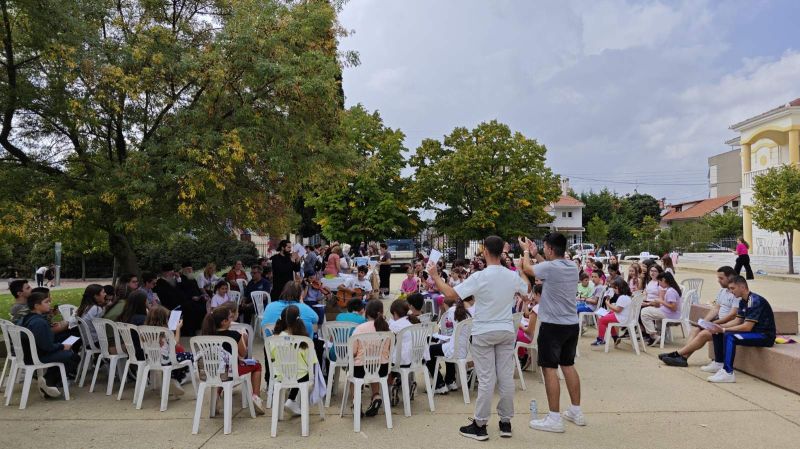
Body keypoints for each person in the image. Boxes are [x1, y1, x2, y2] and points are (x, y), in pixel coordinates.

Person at [429, 235, 530, 441]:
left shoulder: (480, 276)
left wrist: (435, 276)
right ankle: (505, 422)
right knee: (505, 377)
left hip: (484, 330)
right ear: (502, 251)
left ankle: (480, 424)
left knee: (486, 379)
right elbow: (527, 292)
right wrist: (522, 265)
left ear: (484, 251)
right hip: (505, 329)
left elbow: (450, 294)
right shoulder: (511, 276)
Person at [519, 233, 584, 434]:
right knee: (568, 365)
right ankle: (576, 410)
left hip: (552, 325)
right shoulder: (571, 266)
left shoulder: (550, 267)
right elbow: (547, 267)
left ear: (549, 248)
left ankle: (554, 417)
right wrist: (536, 254)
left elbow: (527, 268)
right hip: (571, 324)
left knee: (549, 369)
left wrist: (524, 251)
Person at [661, 266, 740, 368]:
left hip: (728, 325)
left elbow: (732, 315)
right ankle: (682, 357)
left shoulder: (736, 292)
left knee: (703, 334)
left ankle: (678, 355)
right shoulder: (723, 291)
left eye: (721, 278)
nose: (718, 281)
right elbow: (716, 308)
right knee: (696, 330)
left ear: (731, 277)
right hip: (719, 322)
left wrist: (716, 323)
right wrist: (704, 322)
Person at [706, 276, 775, 383]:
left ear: (742, 287)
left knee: (730, 337)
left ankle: (728, 372)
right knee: (717, 332)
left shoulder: (754, 301)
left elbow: (747, 327)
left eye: (732, 288)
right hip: (752, 333)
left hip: (764, 336)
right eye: (729, 289)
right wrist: (718, 327)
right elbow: (737, 321)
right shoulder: (743, 301)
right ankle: (719, 363)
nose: (731, 292)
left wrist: (724, 330)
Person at [201, 307, 266, 414]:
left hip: (211, 371)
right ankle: (255, 397)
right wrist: (243, 338)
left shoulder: (208, 335)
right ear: (224, 322)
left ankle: (216, 396)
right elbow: (243, 353)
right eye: (230, 317)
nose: (232, 320)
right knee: (257, 365)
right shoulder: (235, 335)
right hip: (231, 372)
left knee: (221, 370)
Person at [19, 291, 79, 398]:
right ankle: (49, 381)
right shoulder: (39, 322)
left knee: (65, 348)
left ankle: (48, 382)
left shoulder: (27, 318)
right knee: (73, 357)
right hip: (37, 356)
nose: (49, 304)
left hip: (28, 355)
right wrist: (62, 346)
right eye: (46, 302)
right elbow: (47, 347)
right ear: (37, 306)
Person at [271, 305, 317, 415]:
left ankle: (292, 399)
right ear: (298, 320)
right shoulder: (303, 341)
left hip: (280, 376)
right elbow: (312, 361)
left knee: (295, 371)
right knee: (308, 372)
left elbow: (273, 358)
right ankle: (292, 399)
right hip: (301, 377)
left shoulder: (273, 339)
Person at [351, 300, 392, 417]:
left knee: (353, 376)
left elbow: (353, 351)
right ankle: (376, 396)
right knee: (374, 369)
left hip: (361, 369)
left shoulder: (360, 329)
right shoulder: (386, 328)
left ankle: (356, 402)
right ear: (382, 312)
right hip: (382, 368)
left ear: (366, 312)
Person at [144, 305, 192, 395]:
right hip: (166, 361)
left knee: (179, 356)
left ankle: (171, 380)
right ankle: (175, 380)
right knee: (190, 356)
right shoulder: (165, 332)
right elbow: (175, 343)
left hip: (151, 360)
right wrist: (178, 328)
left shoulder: (144, 331)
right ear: (163, 320)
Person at [427, 298, 472, 394]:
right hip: (465, 348)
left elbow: (447, 332)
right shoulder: (468, 313)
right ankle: (450, 380)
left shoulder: (451, 311)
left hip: (455, 348)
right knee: (444, 348)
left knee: (428, 350)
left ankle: (439, 384)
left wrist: (437, 337)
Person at [640, 272, 682, 346]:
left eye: (659, 281)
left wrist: (661, 301)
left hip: (670, 314)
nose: (659, 283)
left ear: (663, 280)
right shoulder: (672, 289)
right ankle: (659, 336)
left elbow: (673, 307)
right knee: (649, 311)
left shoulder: (670, 291)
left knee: (644, 312)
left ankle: (653, 336)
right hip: (669, 313)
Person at [590, 278, 633, 346]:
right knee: (607, 319)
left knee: (601, 320)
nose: (614, 290)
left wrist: (608, 304)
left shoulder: (622, 297)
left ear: (620, 288)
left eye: (615, 288)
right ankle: (615, 338)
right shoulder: (626, 296)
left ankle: (600, 339)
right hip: (623, 316)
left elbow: (618, 310)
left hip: (621, 317)